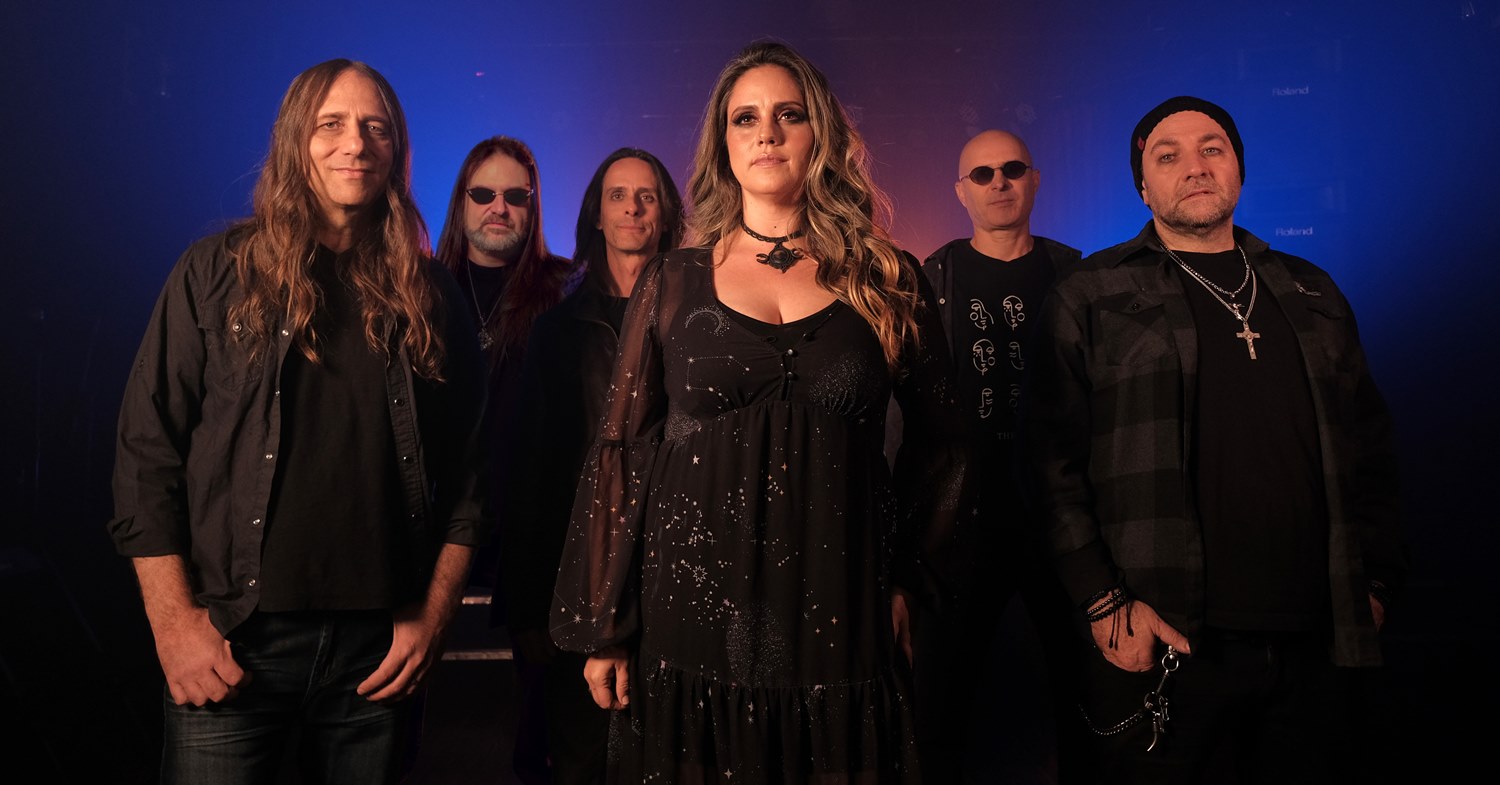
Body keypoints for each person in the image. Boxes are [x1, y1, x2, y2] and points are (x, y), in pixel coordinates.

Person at [549, 41, 967, 783]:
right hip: (688, 622)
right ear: (724, 143)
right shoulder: (672, 279)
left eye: (789, 115)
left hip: (841, 620)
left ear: (820, 134)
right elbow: (623, 451)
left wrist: (908, 577)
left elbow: (944, 447)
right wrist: (606, 625)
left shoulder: (886, 276)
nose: (767, 133)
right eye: (746, 118)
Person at [107, 58, 488, 784]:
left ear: (397, 149)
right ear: (293, 140)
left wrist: (435, 615)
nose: (356, 144)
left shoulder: (432, 294)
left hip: (377, 656)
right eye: (331, 124)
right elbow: (145, 457)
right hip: (232, 644)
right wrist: (174, 625)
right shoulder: (213, 273)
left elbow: (471, 478)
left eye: (376, 127)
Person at [1023, 95, 1407, 784]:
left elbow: (1371, 448)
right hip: (1168, 636)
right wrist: (1103, 601)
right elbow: (1050, 466)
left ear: (1238, 168)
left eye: (1212, 148)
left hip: (1317, 640)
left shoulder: (1312, 290)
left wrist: (1373, 583)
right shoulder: (1090, 293)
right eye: (1167, 156)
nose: (1194, 166)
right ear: (1144, 187)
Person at [502, 147, 685, 785]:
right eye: (617, 195)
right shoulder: (557, 332)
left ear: (666, 215)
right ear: (597, 216)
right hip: (578, 579)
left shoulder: (700, 325)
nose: (632, 208)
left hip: (672, 575)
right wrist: (529, 607)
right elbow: (531, 472)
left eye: (646, 196)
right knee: (579, 758)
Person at [911, 129, 1086, 784]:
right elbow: (909, 413)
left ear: (1035, 180)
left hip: (1061, 515)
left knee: (1085, 690)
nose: (999, 182)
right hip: (964, 519)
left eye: (1012, 169)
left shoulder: (1078, 275)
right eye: (981, 174)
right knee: (940, 700)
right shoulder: (931, 278)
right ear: (961, 192)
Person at [432, 136, 573, 784]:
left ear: (534, 206)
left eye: (516, 195)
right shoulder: (419, 289)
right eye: (484, 193)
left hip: (533, 529)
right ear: (461, 202)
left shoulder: (565, 289)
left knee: (541, 723)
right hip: (437, 524)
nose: (499, 207)